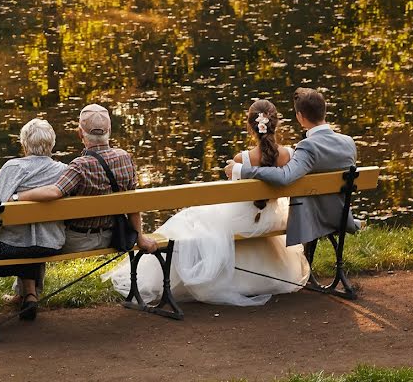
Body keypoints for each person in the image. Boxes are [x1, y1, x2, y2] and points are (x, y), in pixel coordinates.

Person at [103, 99, 310, 306]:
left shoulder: (242, 159)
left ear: (250, 126)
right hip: (272, 219)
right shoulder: (290, 155)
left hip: (245, 220)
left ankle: (156, 278)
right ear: (276, 124)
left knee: (187, 219)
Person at [226, 88, 360, 260]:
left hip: (317, 218)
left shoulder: (307, 147)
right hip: (341, 216)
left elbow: (284, 177)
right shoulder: (348, 142)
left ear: (300, 117)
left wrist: (241, 170)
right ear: (324, 110)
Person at [17, 104, 158, 254]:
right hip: (113, 236)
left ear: (80, 133)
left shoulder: (79, 166)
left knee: (39, 241)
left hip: (76, 241)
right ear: (109, 130)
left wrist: (17, 196)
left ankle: (31, 278)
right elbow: (132, 203)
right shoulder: (125, 158)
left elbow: (54, 192)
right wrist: (140, 237)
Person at [0, 118, 67, 321]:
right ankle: (29, 294)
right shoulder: (63, 170)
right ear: (52, 144)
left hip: (7, 249)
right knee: (30, 236)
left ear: (24, 144)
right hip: (49, 245)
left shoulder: (13, 167)